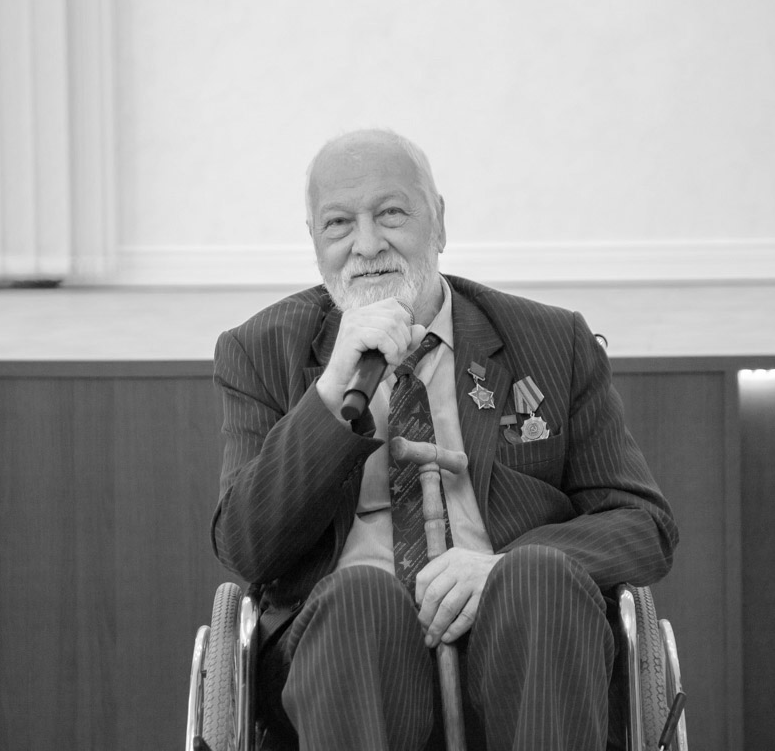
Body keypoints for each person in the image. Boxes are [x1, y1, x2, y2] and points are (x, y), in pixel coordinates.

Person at [212, 128, 678, 751]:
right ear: (315, 241)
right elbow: (247, 547)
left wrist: (499, 568)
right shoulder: (260, 350)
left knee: (538, 578)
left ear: (438, 222)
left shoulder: (552, 341)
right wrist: (329, 394)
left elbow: (644, 525)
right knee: (360, 599)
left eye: (391, 214)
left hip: (525, 654)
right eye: (339, 224)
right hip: (345, 664)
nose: (367, 244)